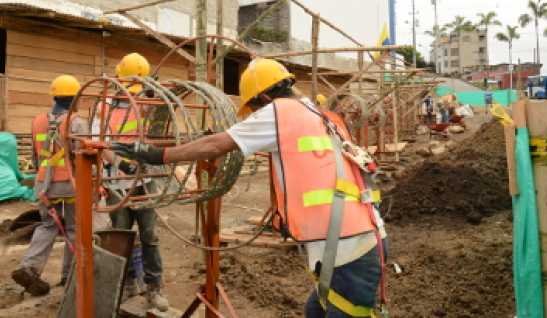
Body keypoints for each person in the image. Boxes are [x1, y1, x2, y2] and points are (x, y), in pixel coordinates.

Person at [112, 58, 388, 317]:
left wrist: (158, 155)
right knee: (315, 310)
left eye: (254, 109)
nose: (255, 115)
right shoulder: (317, 112)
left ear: (265, 98)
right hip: (358, 236)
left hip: (347, 249)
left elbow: (216, 143)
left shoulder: (278, 113)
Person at [96, 53, 169, 312]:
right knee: (121, 237)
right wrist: (120, 163)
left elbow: (158, 134)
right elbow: (97, 143)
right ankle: (125, 284)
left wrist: (154, 97)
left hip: (145, 179)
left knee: (150, 235)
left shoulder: (148, 103)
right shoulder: (105, 107)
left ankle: (154, 288)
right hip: (118, 180)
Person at [12, 75, 88, 296]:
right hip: (69, 185)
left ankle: (29, 267)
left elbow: (36, 158)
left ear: (54, 95)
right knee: (74, 229)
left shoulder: (37, 121)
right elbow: (80, 156)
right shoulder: (76, 121)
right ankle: (69, 276)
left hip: (44, 186)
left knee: (47, 226)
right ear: (74, 98)